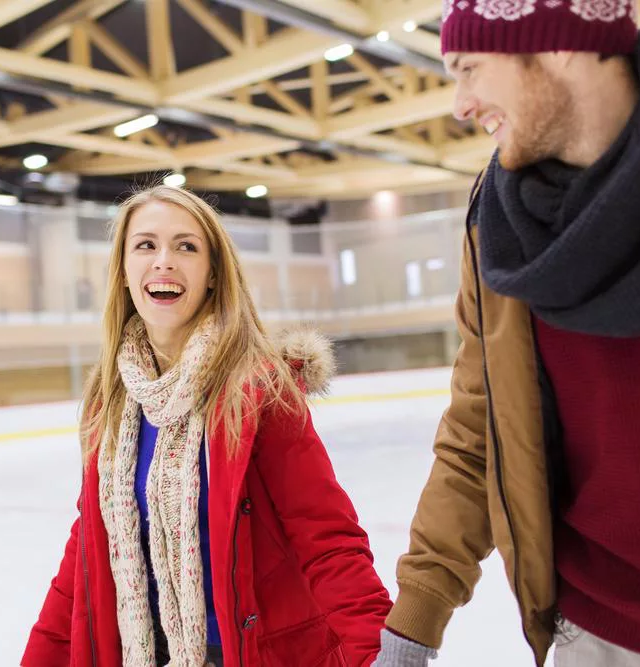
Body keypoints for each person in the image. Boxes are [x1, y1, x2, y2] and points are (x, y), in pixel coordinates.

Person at [375, 2, 640, 666]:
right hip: (595, 635)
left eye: (471, 68)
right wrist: (415, 618)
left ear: (559, 43)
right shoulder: (498, 226)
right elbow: (481, 433)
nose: (460, 104)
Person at [22, 185, 391, 667]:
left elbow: (327, 541)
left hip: (241, 652)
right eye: (146, 245)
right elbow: (88, 552)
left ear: (214, 274)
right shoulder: (112, 400)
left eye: (186, 246)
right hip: (143, 651)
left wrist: (376, 651)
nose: (164, 261)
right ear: (125, 271)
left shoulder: (257, 391)